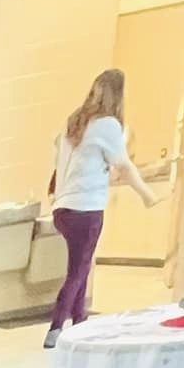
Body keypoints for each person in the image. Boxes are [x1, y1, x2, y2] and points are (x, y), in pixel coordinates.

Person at [46, 68, 159, 347]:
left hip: (63, 208)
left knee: (82, 264)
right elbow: (123, 165)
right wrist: (146, 194)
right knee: (79, 268)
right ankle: (56, 327)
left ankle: (79, 321)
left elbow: (64, 154)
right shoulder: (108, 125)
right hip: (86, 208)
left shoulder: (74, 122)